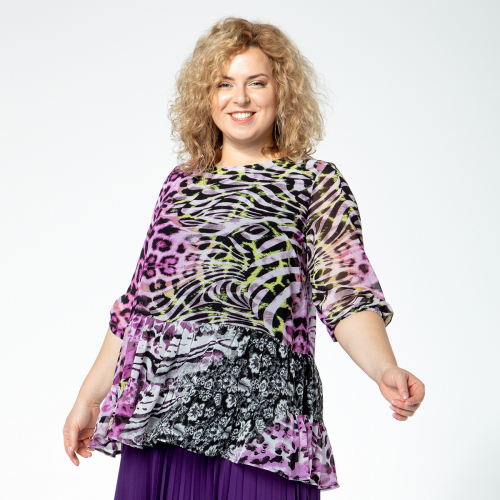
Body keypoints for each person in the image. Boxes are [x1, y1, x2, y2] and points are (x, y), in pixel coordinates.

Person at [63, 16, 425, 500]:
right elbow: (138, 306)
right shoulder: (180, 185)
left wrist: (385, 369)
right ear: (206, 96)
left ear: (282, 92)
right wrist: (88, 399)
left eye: (256, 82)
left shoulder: (314, 182)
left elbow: (346, 291)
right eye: (224, 84)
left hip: (263, 429)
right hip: (161, 419)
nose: (240, 98)